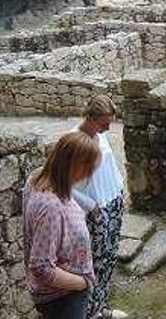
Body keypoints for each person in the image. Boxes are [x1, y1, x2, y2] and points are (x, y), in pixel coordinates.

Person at [23, 131, 100, 319]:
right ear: (74, 165)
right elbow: (41, 266)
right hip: (62, 298)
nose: (90, 175)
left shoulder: (38, 178)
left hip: (63, 294)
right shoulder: (52, 207)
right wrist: (83, 282)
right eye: (89, 168)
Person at [72, 96, 128, 319]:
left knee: (111, 256)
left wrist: (120, 189)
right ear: (90, 117)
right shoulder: (74, 140)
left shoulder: (99, 135)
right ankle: (90, 311)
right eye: (104, 123)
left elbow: (109, 165)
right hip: (96, 210)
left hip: (113, 201)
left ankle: (101, 306)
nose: (108, 128)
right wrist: (91, 206)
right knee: (96, 262)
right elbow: (64, 184)